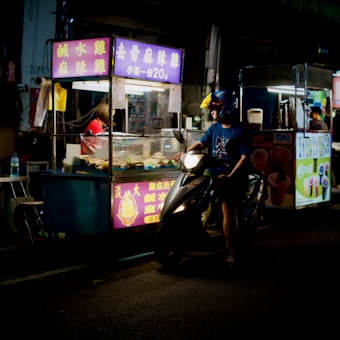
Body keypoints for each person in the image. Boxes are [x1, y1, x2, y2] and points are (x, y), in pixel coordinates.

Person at [174, 90, 253, 265]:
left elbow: (244, 158)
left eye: (214, 109)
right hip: (214, 172)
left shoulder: (240, 131)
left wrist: (230, 176)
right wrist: (186, 153)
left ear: (225, 108)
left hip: (232, 176)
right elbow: (202, 143)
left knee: (228, 209)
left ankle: (229, 250)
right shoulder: (215, 128)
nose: (212, 113)